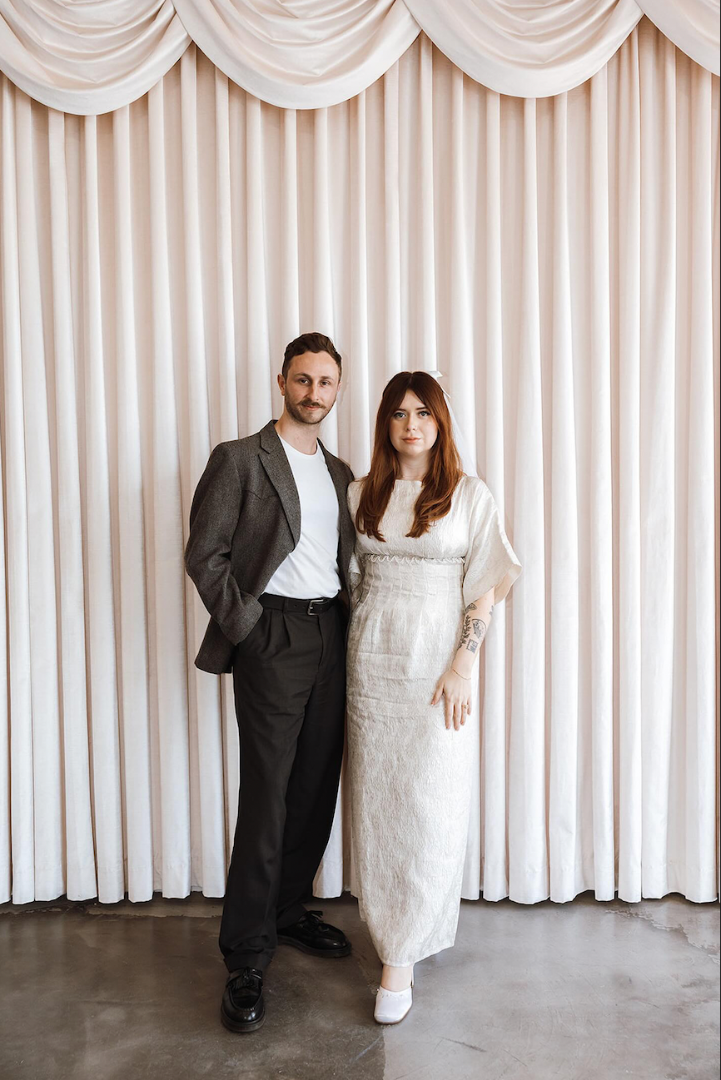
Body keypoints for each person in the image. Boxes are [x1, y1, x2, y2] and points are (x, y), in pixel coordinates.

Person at [185, 332, 356, 1034]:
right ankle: (246, 957)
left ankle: (287, 912)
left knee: (316, 784)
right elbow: (205, 554)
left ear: (337, 389)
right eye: (302, 380)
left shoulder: (344, 473)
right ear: (280, 382)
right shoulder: (239, 459)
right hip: (272, 635)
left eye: (325, 382)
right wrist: (251, 631)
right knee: (267, 794)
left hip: (331, 636)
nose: (313, 392)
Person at [346, 370, 521, 1024]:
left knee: (430, 805)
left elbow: (486, 585)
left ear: (440, 422)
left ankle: (401, 958)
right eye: (398, 412)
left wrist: (463, 663)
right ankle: (393, 936)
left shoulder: (468, 495)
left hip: (436, 668)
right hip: (369, 667)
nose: (410, 423)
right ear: (385, 423)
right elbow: (350, 582)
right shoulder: (360, 494)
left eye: (422, 412)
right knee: (381, 806)